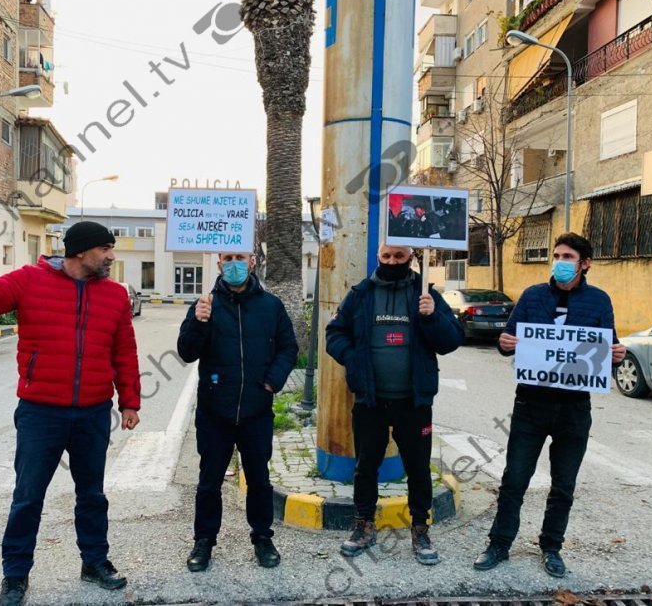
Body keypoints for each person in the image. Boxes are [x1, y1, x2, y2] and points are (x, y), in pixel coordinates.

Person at [0, 221, 141, 606]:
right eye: (104, 248)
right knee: (28, 496)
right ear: (79, 252)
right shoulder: (29, 281)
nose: (110, 256)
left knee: (92, 494)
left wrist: (130, 402)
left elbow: (124, 350)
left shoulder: (115, 295)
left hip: (92, 412)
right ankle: (15, 575)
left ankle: (95, 562)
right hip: (41, 413)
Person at [473, 232, 626, 578]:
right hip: (531, 405)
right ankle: (499, 544)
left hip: (574, 409)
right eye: (556, 254)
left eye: (568, 256)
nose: (559, 261)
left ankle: (551, 547)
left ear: (585, 264)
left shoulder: (599, 301)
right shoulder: (532, 296)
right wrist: (505, 343)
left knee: (563, 485)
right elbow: (508, 342)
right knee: (514, 480)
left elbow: (607, 351)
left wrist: (618, 355)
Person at [325, 244, 465, 565]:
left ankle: (420, 528)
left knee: (418, 468)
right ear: (377, 257)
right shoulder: (361, 293)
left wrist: (431, 318)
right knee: (365, 466)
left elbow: (452, 340)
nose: (392, 262)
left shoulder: (425, 293)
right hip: (370, 401)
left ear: (411, 258)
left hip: (413, 403)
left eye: (399, 257)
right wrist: (353, 359)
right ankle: (363, 524)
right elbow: (335, 332)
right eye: (386, 257)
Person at [177, 252, 298, 572]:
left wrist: (273, 381)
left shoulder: (271, 306)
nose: (234, 264)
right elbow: (187, 352)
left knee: (259, 480)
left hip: (257, 411)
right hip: (215, 411)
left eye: (240, 258)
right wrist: (198, 323)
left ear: (253, 261)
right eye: (228, 258)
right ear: (218, 264)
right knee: (208, 482)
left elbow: (289, 348)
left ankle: (262, 538)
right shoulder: (205, 304)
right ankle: (204, 540)